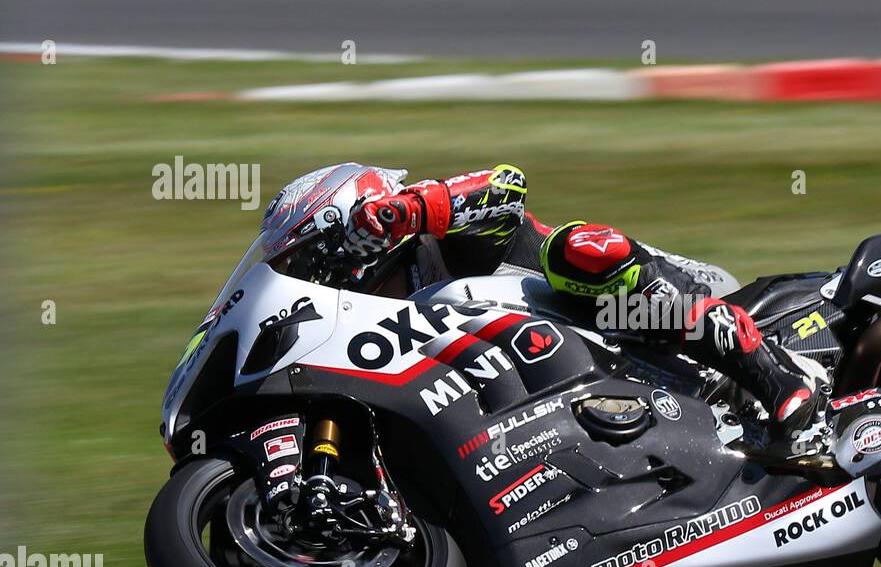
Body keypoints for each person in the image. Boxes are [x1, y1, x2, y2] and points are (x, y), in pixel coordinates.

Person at [328, 162, 824, 440]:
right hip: (592, 391)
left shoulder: (449, 243)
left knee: (572, 253)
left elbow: (507, 184)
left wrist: (411, 209)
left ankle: (775, 378)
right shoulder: (398, 339)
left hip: (646, 307)